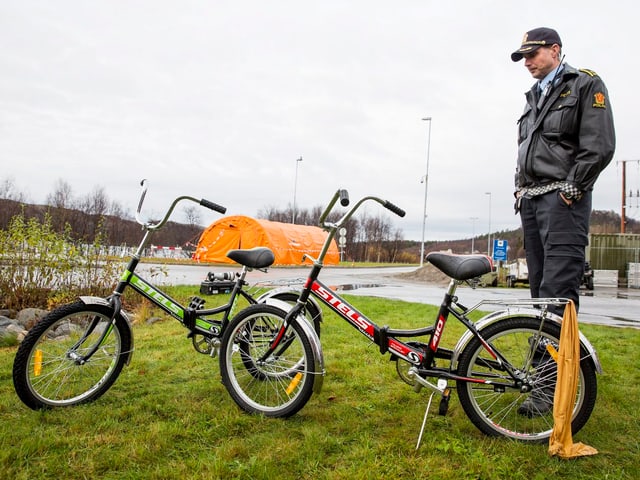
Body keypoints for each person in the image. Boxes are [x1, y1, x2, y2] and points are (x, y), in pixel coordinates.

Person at [511, 27, 615, 416]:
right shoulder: (533, 98)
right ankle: (543, 376)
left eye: (533, 54)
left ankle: (552, 388)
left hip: (563, 201)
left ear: (555, 50)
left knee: (558, 294)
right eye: (522, 57)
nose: (527, 62)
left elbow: (599, 145)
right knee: (539, 294)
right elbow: (526, 151)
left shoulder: (585, 85)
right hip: (534, 203)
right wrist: (519, 189)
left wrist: (572, 190)